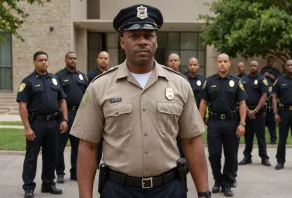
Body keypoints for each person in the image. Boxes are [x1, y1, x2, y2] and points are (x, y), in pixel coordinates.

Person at [70, 4, 211, 198]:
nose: (142, 41)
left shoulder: (180, 85)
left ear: (156, 40)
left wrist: (204, 192)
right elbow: (88, 146)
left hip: (169, 189)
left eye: (148, 35)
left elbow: (192, 141)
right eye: (134, 36)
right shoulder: (99, 87)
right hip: (118, 190)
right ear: (122, 42)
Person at [17, 51, 68, 198]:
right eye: (40, 60)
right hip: (36, 124)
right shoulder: (28, 81)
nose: (44, 62)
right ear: (34, 62)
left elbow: (62, 100)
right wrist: (27, 127)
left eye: (46, 60)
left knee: (52, 156)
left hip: (53, 123)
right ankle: (28, 187)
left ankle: (48, 184)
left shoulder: (54, 79)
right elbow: (22, 106)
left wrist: (64, 120)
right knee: (31, 156)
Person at [199, 53, 246, 197]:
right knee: (214, 154)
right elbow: (203, 102)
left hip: (231, 122)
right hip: (214, 122)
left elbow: (242, 104)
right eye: (220, 61)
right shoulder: (209, 81)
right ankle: (217, 181)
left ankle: (227, 183)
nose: (222, 64)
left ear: (229, 63)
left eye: (225, 61)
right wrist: (201, 121)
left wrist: (242, 123)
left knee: (230, 155)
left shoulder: (236, 81)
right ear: (217, 63)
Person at [55, 52, 88, 183]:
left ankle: (75, 172)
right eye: (70, 58)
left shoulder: (82, 76)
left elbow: (87, 95)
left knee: (77, 147)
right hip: (64, 114)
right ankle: (60, 173)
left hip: (79, 115)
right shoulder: (59, 76)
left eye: (75, 58)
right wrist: (62, 117)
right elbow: (57, 97)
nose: (73, 60)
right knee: (60, 146)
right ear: (65, 60)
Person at [272, 60, 292, 171]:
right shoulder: (280, 80)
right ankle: (280, 161)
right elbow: (274, 97)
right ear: (285, 67)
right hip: (283, 112)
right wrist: (275, 112)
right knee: (282, 138)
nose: (290, 67)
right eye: (288, 65)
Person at [239, 60, 271, 166]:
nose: (253, 67)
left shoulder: (262, 79)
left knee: (260, 136)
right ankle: (247, 157)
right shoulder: (244, 79)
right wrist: (248, 110)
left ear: (258, 67)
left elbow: (264, 96)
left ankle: (264, 157)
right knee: (248, 136)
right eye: (251, 65)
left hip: (259, 113)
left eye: (255, 65)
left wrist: (255, 111)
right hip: (247, 112)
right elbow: (241, 96)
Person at [86, 51, 110, 168]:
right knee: (96, 141)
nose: (103, 60)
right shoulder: (91, 75)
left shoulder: (111, 74)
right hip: (96, 110)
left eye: (106, 58)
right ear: (97, 60)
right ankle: (94, 166)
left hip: (109, 110)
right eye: (101, 58)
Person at [261, 56, 281, 144]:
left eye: (271, 61)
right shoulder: (263, 69)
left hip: (273, 95)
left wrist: (270, 76)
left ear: (274, 62)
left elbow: (279, 80)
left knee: (272, 120)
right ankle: (262, 139)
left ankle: (273, 138)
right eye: (268, 61)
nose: (269, 63)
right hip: (264, 95)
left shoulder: (276, 71)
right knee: (262, 120)